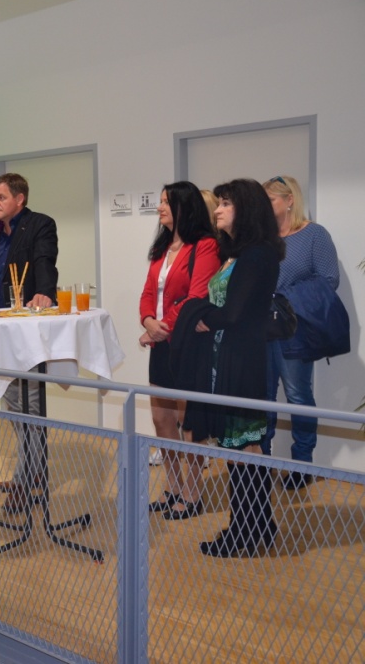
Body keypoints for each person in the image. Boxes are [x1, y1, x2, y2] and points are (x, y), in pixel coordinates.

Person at [175, 178, 284, 558]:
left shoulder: (257, 254)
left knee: (243, 447)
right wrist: (207, 316)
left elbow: (235, 314)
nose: (218, 210)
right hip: (229, 358)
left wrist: (202, 317)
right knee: (244, 448)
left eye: (225, 203)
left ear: (245, 209)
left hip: (242, 361)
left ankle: (243, 530)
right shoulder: (239, 253)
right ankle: (258, 524)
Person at [138, 182, 219, 520]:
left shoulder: (206, 245)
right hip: (161, 344)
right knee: (162, 419)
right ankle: (172, 486)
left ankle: (192, 491)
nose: (159, 207)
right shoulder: (161, 248)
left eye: (166, 202)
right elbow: (148, 293)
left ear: (185, 206)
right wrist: (147, 320)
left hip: (188, 344)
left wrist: (162, 327)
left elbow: (196, 297)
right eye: (160, 201)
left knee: (190, 425)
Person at [0, 173, 58, 512]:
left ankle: (25, 481)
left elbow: (44, 261)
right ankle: (33, 469)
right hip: (1, 330)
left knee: (31, 405)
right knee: (13, 403)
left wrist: (45, 292)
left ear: (19, 198)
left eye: (1, 197)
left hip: (28, 328)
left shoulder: (40, 224)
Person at [262, 175, 339, 489]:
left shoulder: (313, 234)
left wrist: (285, 298)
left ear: (290, 200)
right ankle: (261, 460)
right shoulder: (263, 238)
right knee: (263, 397)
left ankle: (301, 465)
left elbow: (329, 279)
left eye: (270, 200)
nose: (264, 206)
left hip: (294, 328)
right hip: (260, 328)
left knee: (297, 396)